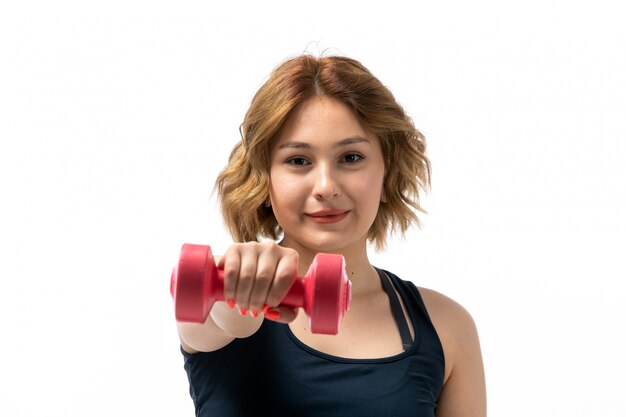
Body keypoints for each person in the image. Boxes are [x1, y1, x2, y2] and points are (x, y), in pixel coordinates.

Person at [176, 54, 486, 417]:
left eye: (351, 158)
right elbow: (221, 321)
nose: (326, 186)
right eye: (298, 161)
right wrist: (242, 290)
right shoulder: (218, 292)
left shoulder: (447, 327)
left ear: (387, 175)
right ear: (265, 181)